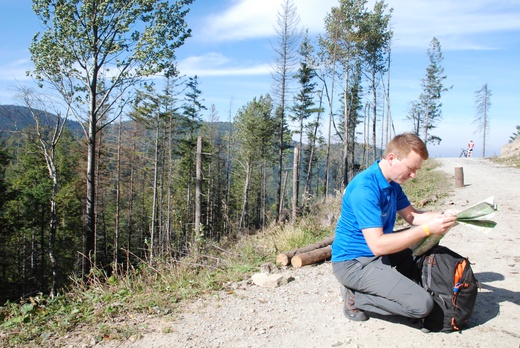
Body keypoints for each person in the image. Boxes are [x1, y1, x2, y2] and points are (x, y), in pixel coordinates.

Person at [331, 132, 457, 323]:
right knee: (422, 305)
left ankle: (392, 283)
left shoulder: (391, 183)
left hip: (376, 256)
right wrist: (427, 229)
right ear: (392, 159)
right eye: (411, 169)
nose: (413, 175)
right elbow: (378, 245)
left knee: (423, 240)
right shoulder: (364, 189)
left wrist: (442, 217)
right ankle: (356, 298)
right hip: (353, 264)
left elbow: (412, 216)